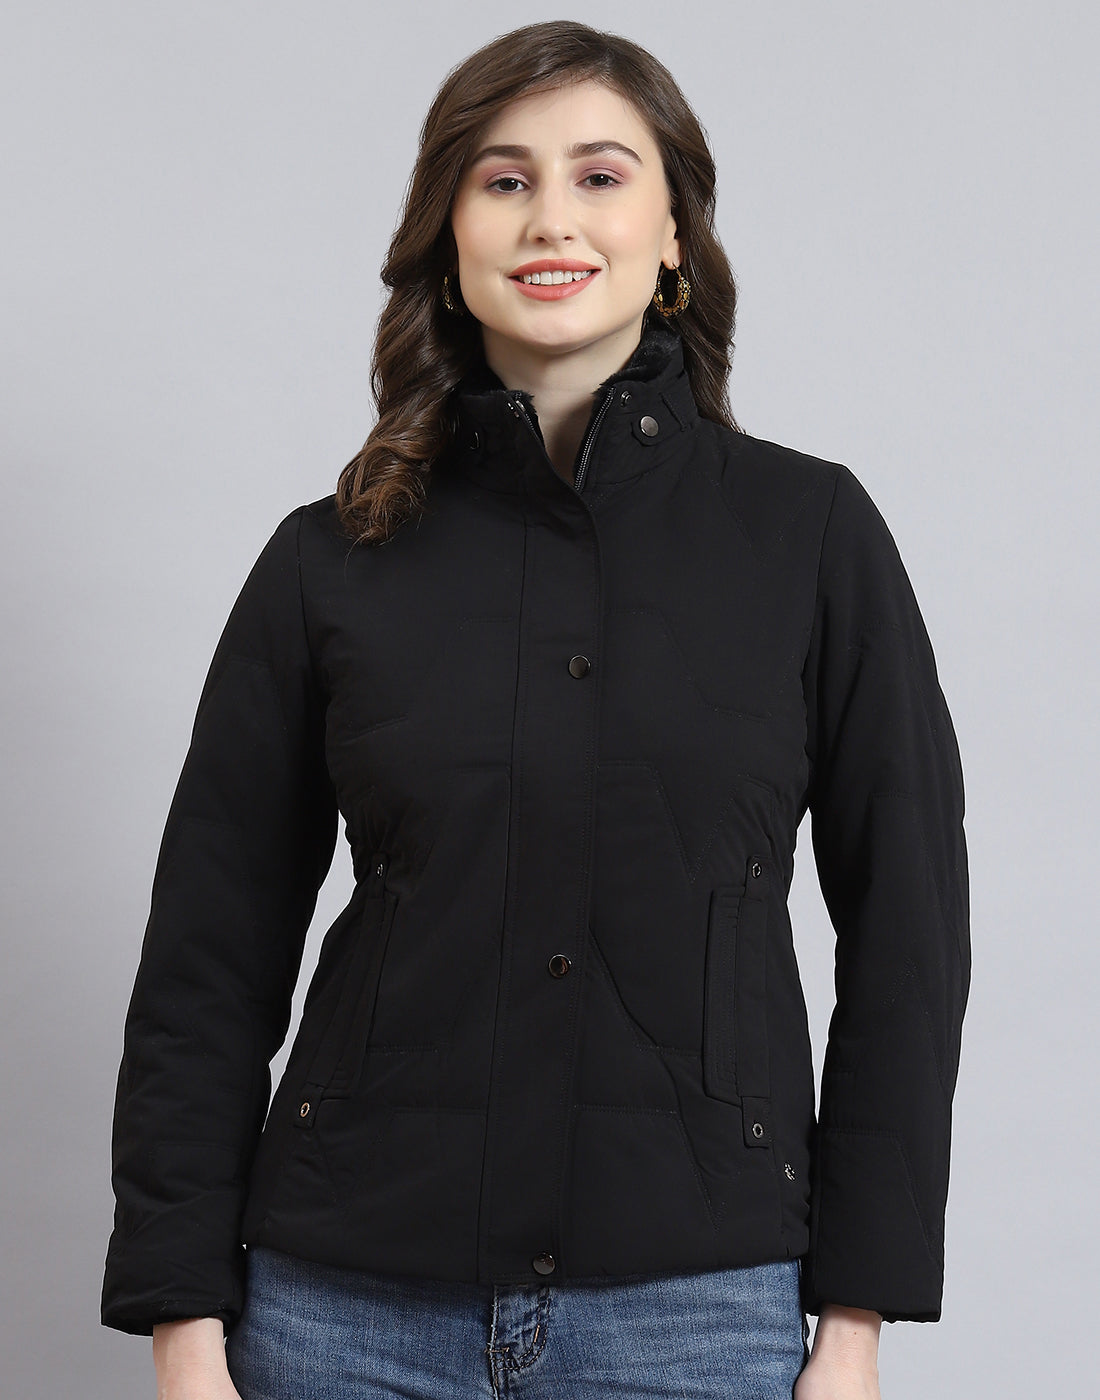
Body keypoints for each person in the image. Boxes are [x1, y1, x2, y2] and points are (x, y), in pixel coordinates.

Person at [100, 20, 970, 1400]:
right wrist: (182, 1322)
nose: (551, 218)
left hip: (697, 1318)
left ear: (673, 235)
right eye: (504, 180)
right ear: (448, 233)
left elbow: (911, 941)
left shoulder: (809, 537)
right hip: (342, 1319)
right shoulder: (329, 560)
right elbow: (208, 955)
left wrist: (855, 1320)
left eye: (600, 176)